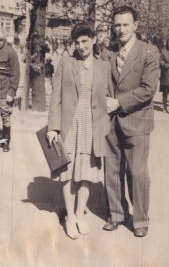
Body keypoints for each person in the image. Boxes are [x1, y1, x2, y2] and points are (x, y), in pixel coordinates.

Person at [47, 23, 113, 240]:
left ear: (93, 39)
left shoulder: (104, 66)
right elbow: (55, 97)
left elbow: (109, 99)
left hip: (91, 124)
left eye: (85, 41)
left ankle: (80, 213)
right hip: (70, 123)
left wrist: (105, 126)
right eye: (77, 42)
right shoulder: (66, 62)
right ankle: (70, 217)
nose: (81, 46)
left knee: (86, 172)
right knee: (67, 171)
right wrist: (53, 128)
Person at [101, 6, 160, 237]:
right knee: (112, 171)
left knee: (137, 173)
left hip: (136, 121)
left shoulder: (149, 52)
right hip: (110, 122)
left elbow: (148, 90)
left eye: (126, 24)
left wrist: (118, 103)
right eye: (117, 24)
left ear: (136, 25)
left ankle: (140, 220)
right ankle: (116, 214)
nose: (121, 29)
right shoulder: (107, 52)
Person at [0, 30, 20, 152]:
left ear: (3, 40)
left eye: (0, 40)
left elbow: (15, 74)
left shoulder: (11, 53)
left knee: (5, 116)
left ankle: (5, 142)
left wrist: (11, 93)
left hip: (4, 90)